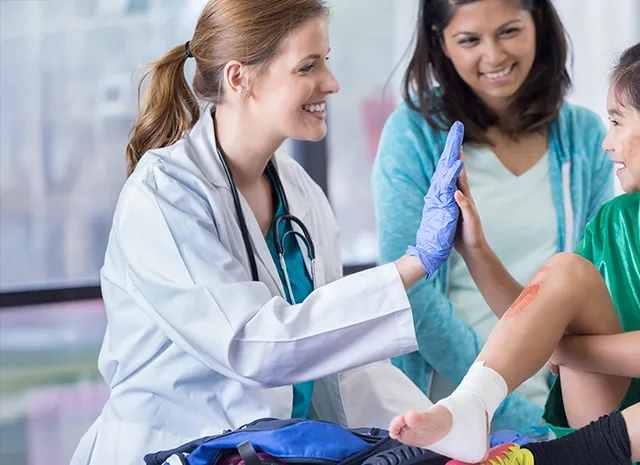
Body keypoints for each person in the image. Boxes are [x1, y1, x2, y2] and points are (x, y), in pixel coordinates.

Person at [69, 1, 466, 464]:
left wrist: (447, 428)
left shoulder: (300, 191)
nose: (332, 83)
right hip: (168, 448)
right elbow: (251, 345)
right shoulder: (164, 196)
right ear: (239, 79)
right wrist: (414, 263)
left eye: (327, 61)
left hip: (266, 451)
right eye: (308, 66)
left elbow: (339, 357)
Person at [389, 33, 640, 464]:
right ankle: (471, 406)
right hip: (612, 432)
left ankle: (551, 459)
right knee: (567, 270)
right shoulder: (619, 219)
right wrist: (474, 249)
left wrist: (559, 348)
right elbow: (532, 318)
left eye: (618, 122)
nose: (607, 142)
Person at [372, 0, 614, 435]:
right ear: (439, 40)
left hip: (561, 404)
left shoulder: (586, 135)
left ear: (537, 21)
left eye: (509, 31)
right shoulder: (411, 134)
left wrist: (556, 420)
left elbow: (595, 288)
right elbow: (410, 294)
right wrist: (504, 405)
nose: (495, 56)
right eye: (469, 40)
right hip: (443, 406)